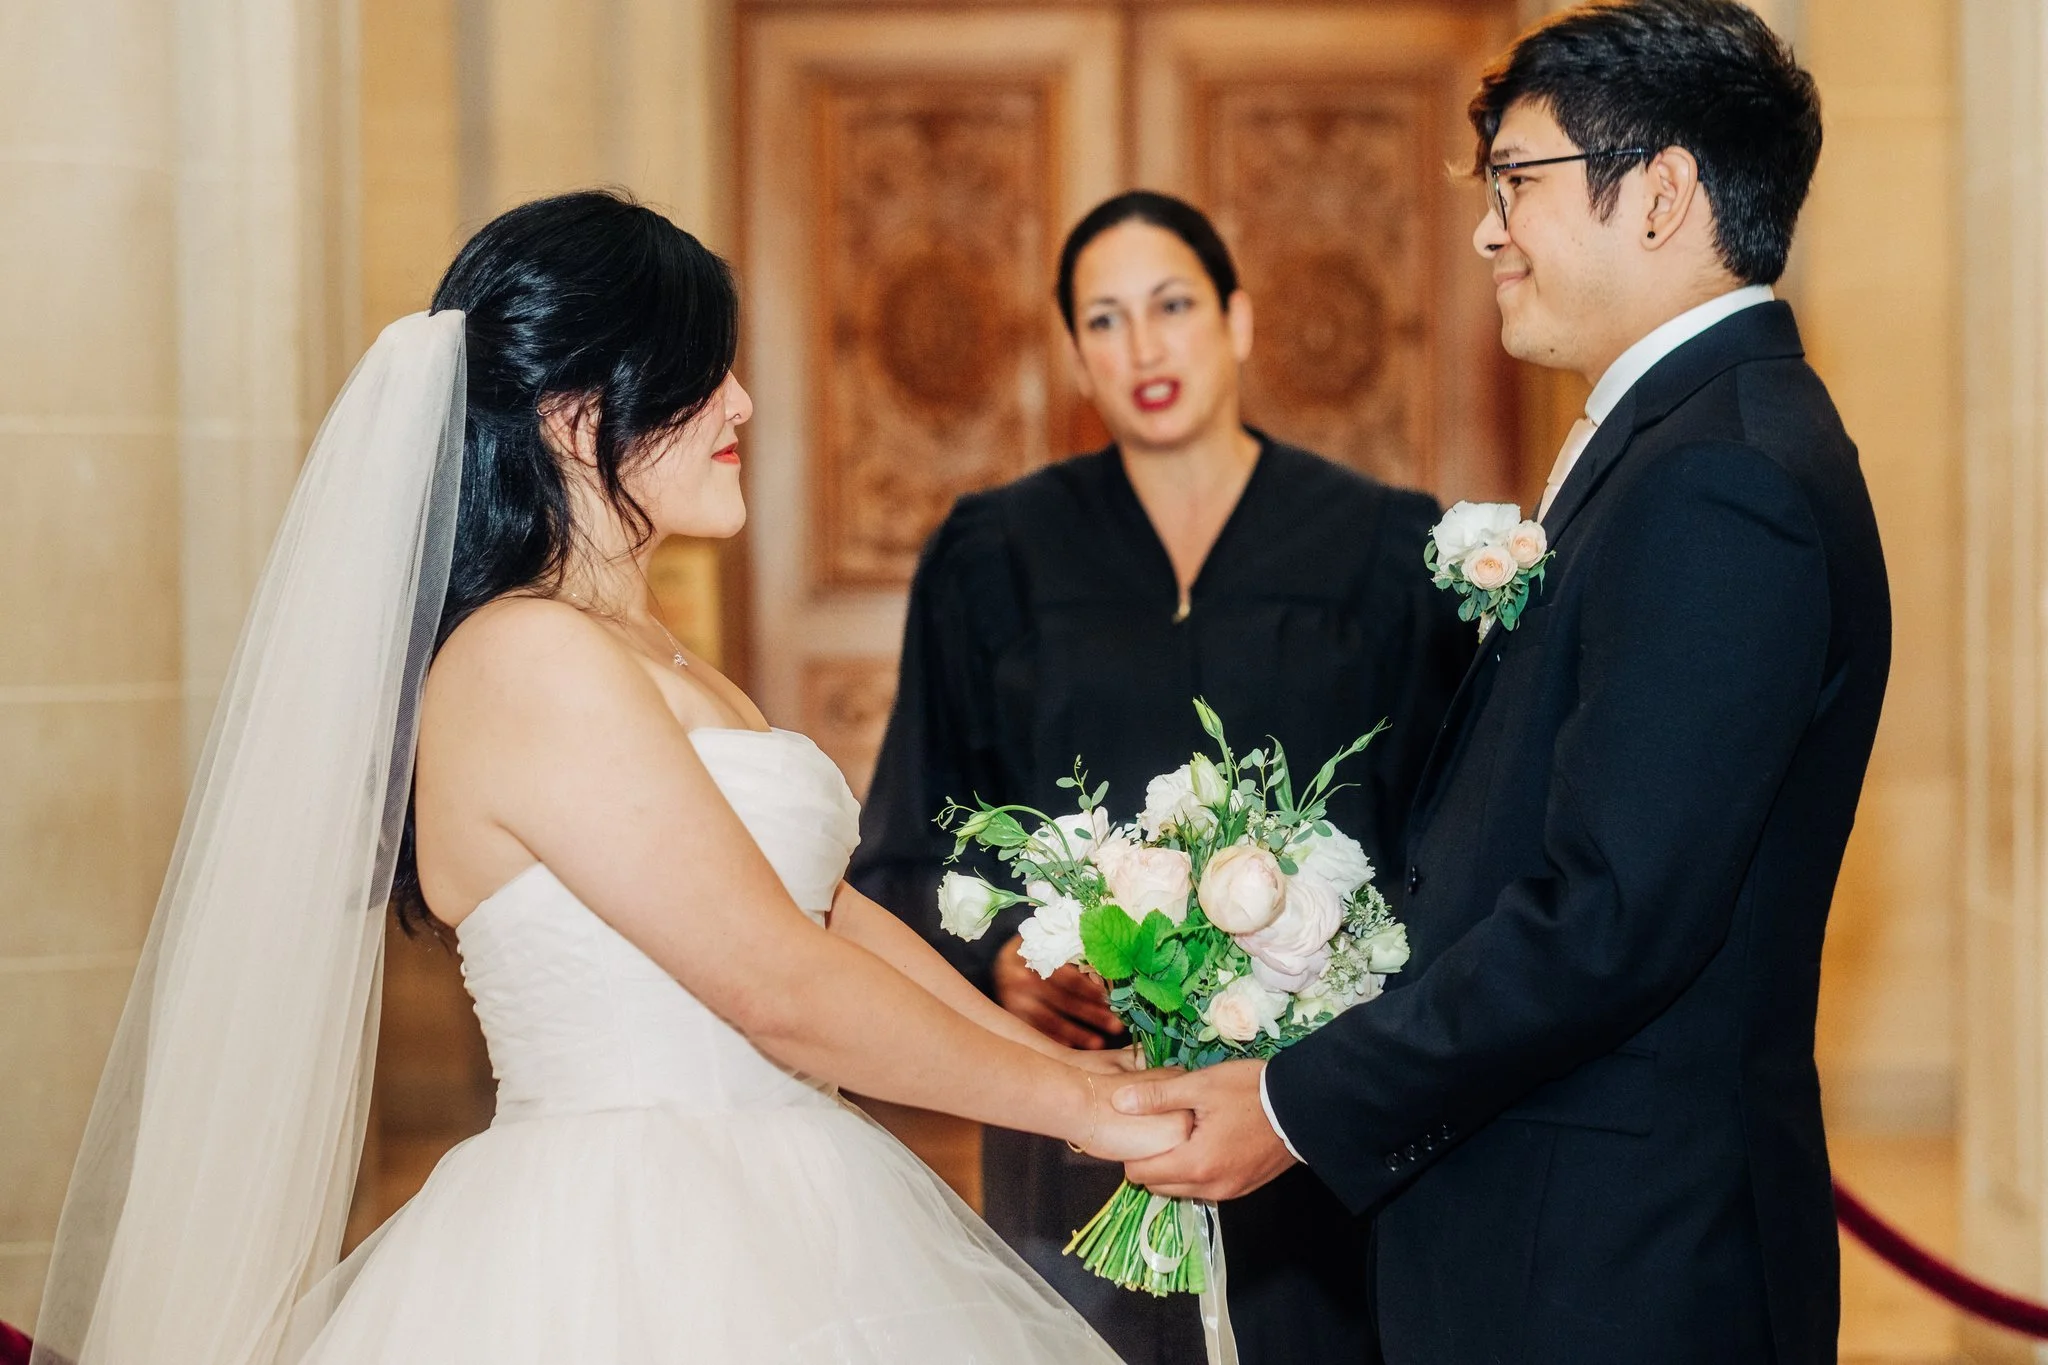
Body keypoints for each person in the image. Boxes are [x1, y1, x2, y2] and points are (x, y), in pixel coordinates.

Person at [31, 191, 1189, 1365]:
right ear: (578, 415)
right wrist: (1083, 1114)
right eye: (703, 373)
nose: (742, 402)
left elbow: (825, 916)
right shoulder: (523, 657)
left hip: (792, 1190)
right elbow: (774, 984)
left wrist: (1071, 1069)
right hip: (630, 1244)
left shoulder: (661, 662)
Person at [1112, 4, 1891, 1363]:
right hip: (1567, 1232)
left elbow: (1611, 916)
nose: (1485, 229)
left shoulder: (1724, 480)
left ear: (1661, 194)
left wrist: (1300, 1103)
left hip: (1616, 1262)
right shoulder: (1685, 440)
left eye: (1516, 180)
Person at [851, 191, 1470, 1364]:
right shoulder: (993, 555)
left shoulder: (1383, 548)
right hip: (1080, 1099)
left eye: (1172, 305)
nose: (1143, 347)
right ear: (1074, 354)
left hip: (1311, 1099)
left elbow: (1438, 837)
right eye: (1103, 319)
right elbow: (907, 844)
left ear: (1237, 322)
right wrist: (1000, 968)